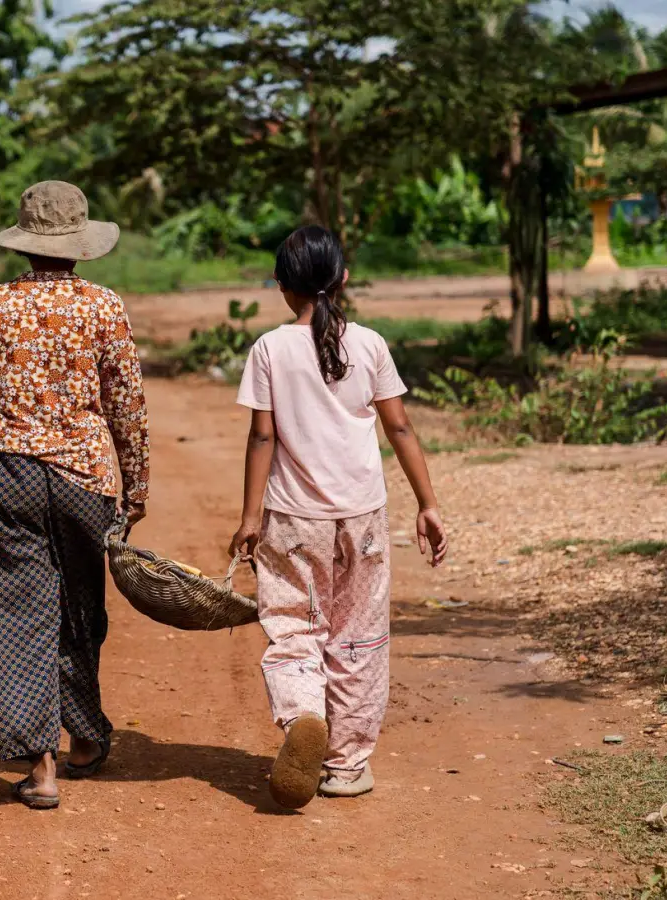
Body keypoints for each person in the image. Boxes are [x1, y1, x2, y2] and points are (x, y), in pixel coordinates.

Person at [229, 224, 449, 810]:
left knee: (294, 627)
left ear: (281, 286)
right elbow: (398, 426)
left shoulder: (269, 349)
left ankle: (303, 714)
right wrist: (428, 504)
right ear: (343, 278)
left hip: (293, 519)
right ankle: (348, 764)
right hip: (364, 518)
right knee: (358, 637)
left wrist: (251, 517)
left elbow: (261, 438)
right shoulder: (371, 344)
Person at [0, 181, 150, 810]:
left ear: (24, 242)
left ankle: (42, 767)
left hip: (4, 474)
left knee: (16, 614)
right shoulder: (104, 307)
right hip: (85, 480)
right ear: (80, 244)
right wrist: (136, 486)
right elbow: (127, 405)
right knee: (80, 609)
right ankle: (85, 738)